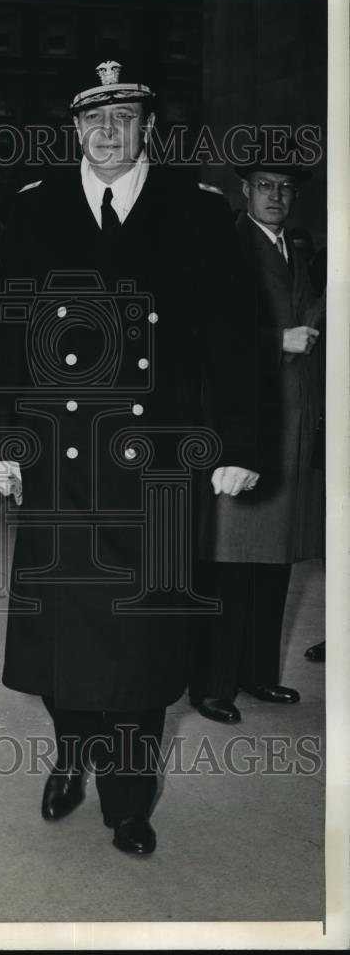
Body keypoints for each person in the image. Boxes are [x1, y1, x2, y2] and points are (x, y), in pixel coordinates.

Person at [0, 57, 258, 855]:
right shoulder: (32, 210)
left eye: (123, 119)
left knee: (146, 633)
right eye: (92, 120)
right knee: (64, 628)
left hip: (158, 460)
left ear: (148, 131)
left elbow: (232, 342)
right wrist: (0, 445)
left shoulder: (197, 212)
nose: (106, 133)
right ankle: (71, 755)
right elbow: (8, 337)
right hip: (61, 459)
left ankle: (127, 797)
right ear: (73, 130)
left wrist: (237, 442)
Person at [193, 142, 323, 723]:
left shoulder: (298, 248)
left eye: (287, 188)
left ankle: (258, 674)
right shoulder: (227, 246)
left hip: (293, 425)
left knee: (274, 563)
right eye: (266, 185)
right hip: (248, 423)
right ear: (245, 189)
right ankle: (212, 685)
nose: (277, 196)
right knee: (233, 561)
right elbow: (208, 336)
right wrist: (278, 342)